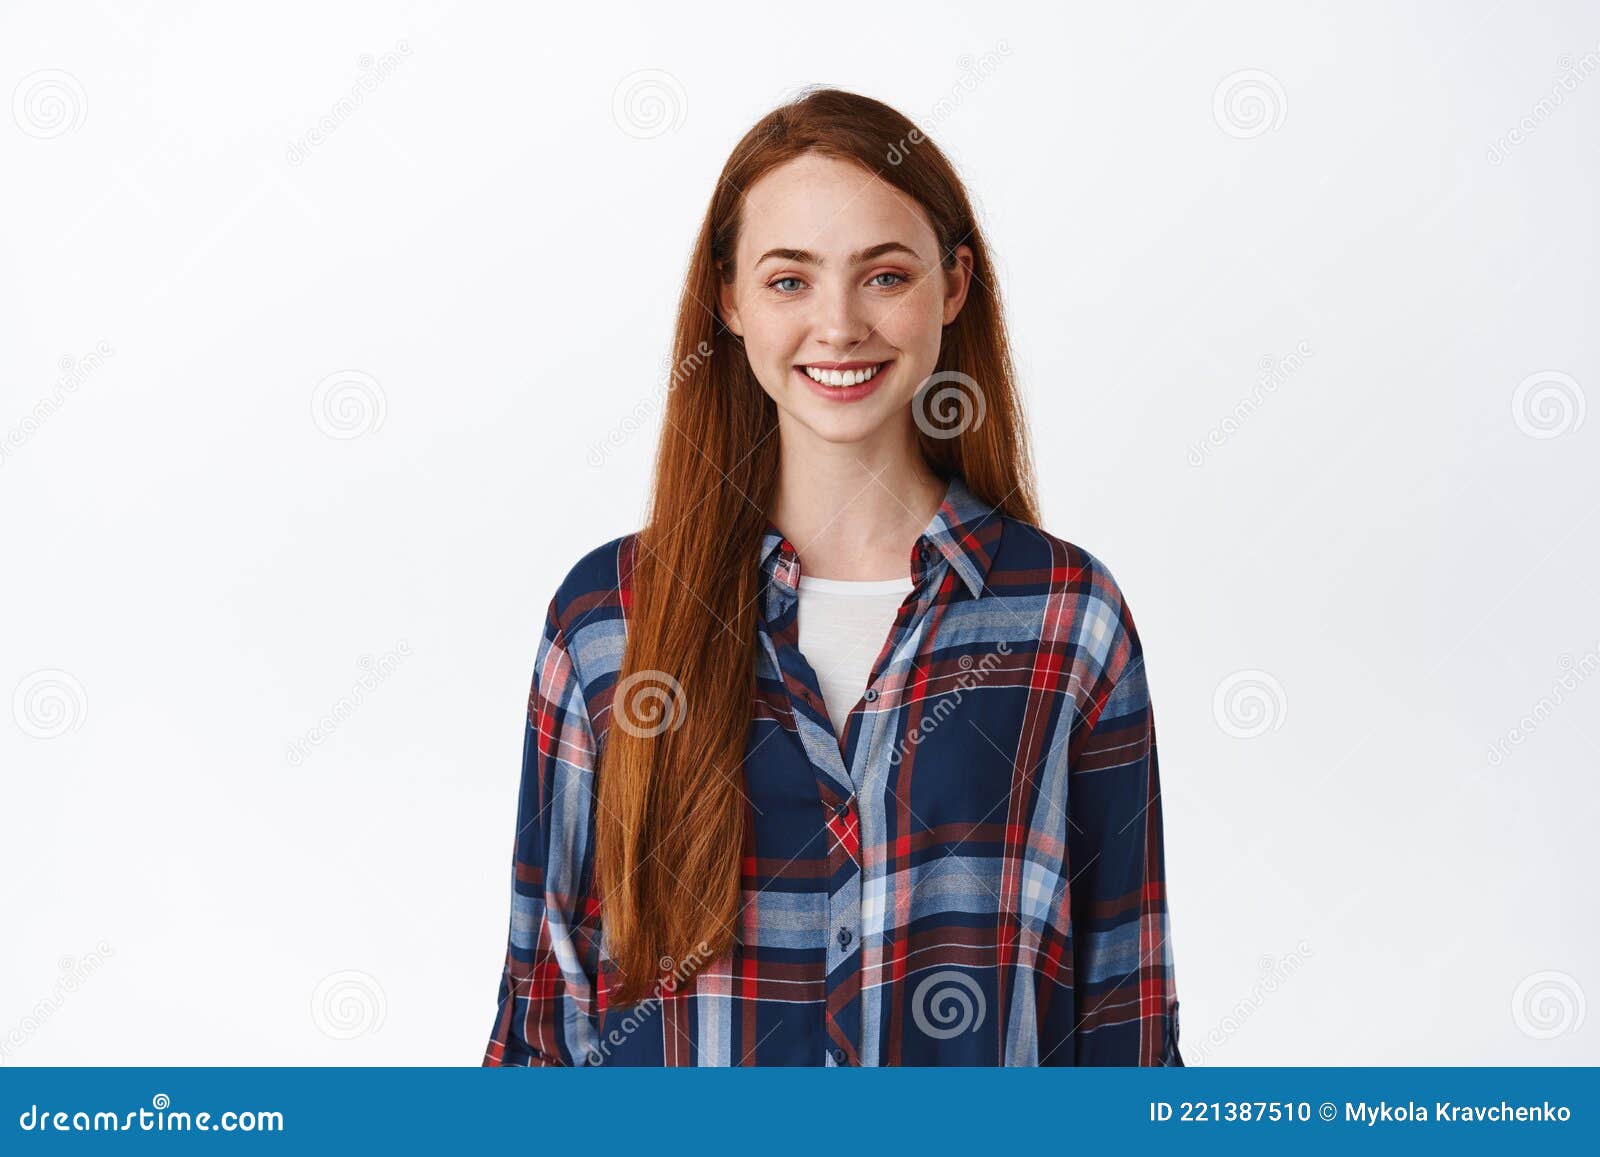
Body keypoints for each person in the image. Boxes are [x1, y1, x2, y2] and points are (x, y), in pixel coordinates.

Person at [483, 86, 1182, 1067]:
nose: (839, 323)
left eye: (884, 275)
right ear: (728, 301)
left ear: (953, 285)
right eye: (788, 281)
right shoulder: (608, 619)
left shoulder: (1067, 617)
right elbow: (540, 1026)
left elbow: (1126, 1028)